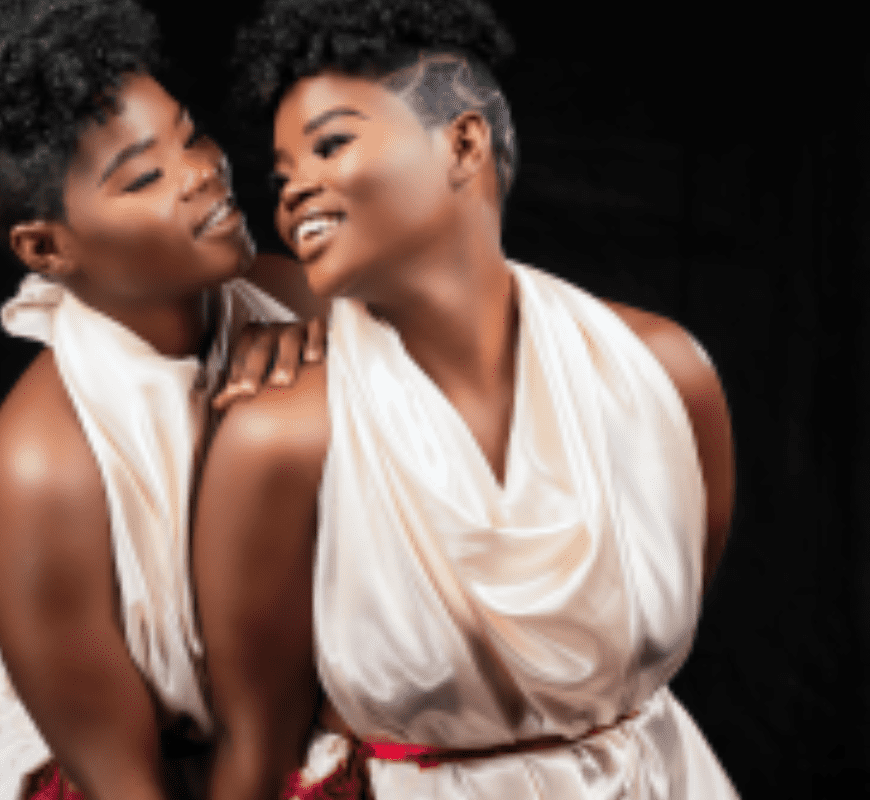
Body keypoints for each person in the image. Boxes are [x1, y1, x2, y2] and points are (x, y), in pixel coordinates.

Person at [193, 0, 739, 797]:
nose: (293, 191)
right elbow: (254, 749)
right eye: (282, 176)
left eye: (331, 144)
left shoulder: (665, 374)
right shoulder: (282, 437)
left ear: (464, 143)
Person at [0, 1, 323, 798]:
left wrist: (336, 358)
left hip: (279, 742)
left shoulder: (295, 297)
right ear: (46, 247)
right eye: (145, 177)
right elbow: (121, 779)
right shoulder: (38, 468)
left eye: (192, 134)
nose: (203, 171)